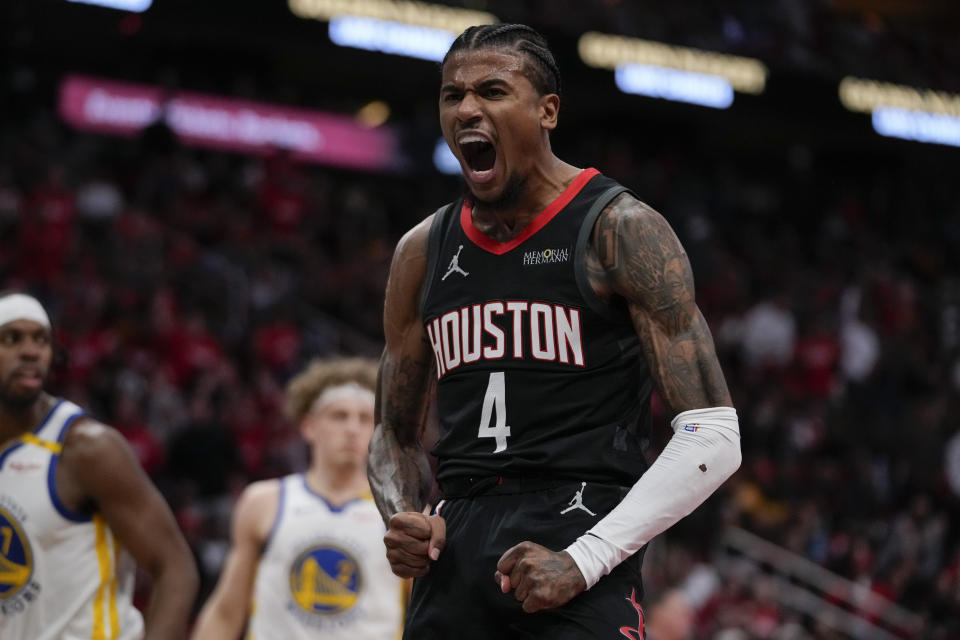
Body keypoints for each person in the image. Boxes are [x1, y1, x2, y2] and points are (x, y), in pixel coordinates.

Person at [368, 23, 742, 639]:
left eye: (491, 91)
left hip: (580, 531)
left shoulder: (619, 229)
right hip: (455, 546)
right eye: (451, 95)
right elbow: (393, 432)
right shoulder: (421, 251)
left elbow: (714, 434)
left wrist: (585, 558)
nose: (467, 109)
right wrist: (406, 517)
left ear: (547, 111)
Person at [0, 292, 198, 639]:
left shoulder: (86, 449)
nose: (30, 352)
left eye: (41, 340)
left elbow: (175, 568)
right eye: (12, 339)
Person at [192, 357, 404, 640]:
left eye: (365, 418)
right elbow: (226, 613)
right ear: (309, 426)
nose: (352, 429)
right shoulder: (264, 502)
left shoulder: (403, 512)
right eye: (339, 416)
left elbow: (431, 618)